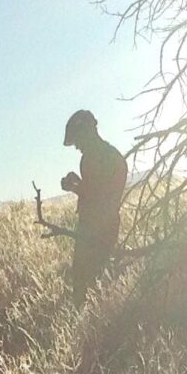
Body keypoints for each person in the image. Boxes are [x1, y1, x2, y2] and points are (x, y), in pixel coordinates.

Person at [59, 108, 127, 296]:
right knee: (85, 285)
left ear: (88, 133)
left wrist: (77, 188)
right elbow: (93, 193)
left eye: (78, 140)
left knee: (91, 285)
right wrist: (77, 187)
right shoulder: (94, 158)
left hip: (100, 231)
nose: (77, 146)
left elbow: (103, 199)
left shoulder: (107, 158)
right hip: (90, 228)